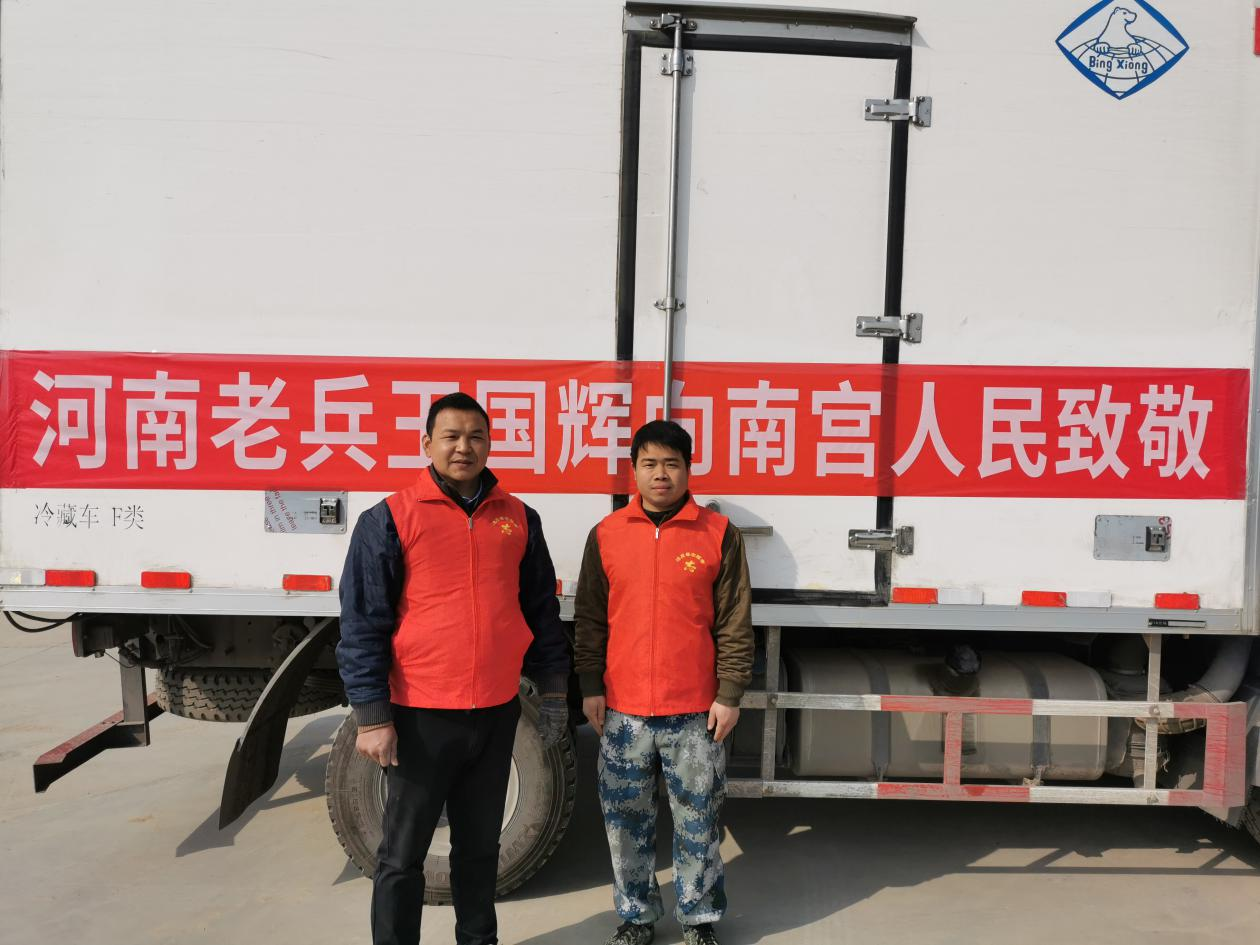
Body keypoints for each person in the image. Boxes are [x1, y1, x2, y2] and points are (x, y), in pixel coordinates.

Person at [336, 391, 571, 945]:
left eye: (475, 437)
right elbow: (363, 622)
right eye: (451, 436)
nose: (464, 447)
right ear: (427, 444)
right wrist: (372, 717)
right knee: (402, 855)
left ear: (489, 445)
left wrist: (556, 692)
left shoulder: (519, 518)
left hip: (494, 712)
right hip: (420, 716)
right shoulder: (389, 519)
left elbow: (541, 610)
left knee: (480, 848)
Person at [575, 419, 754, 945]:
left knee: (698, 821)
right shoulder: (607, 534)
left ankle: (698, 920)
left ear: (687, 469)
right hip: (624, 711)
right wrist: (590, 685)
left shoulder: (718, 534)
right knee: (625, 823)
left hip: (694, 711)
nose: (660, 474)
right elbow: (590, 618)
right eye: (649, 464)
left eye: (671, 464)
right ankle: (636, 917)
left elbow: (734, 621)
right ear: (634, 470)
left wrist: (729, 694)